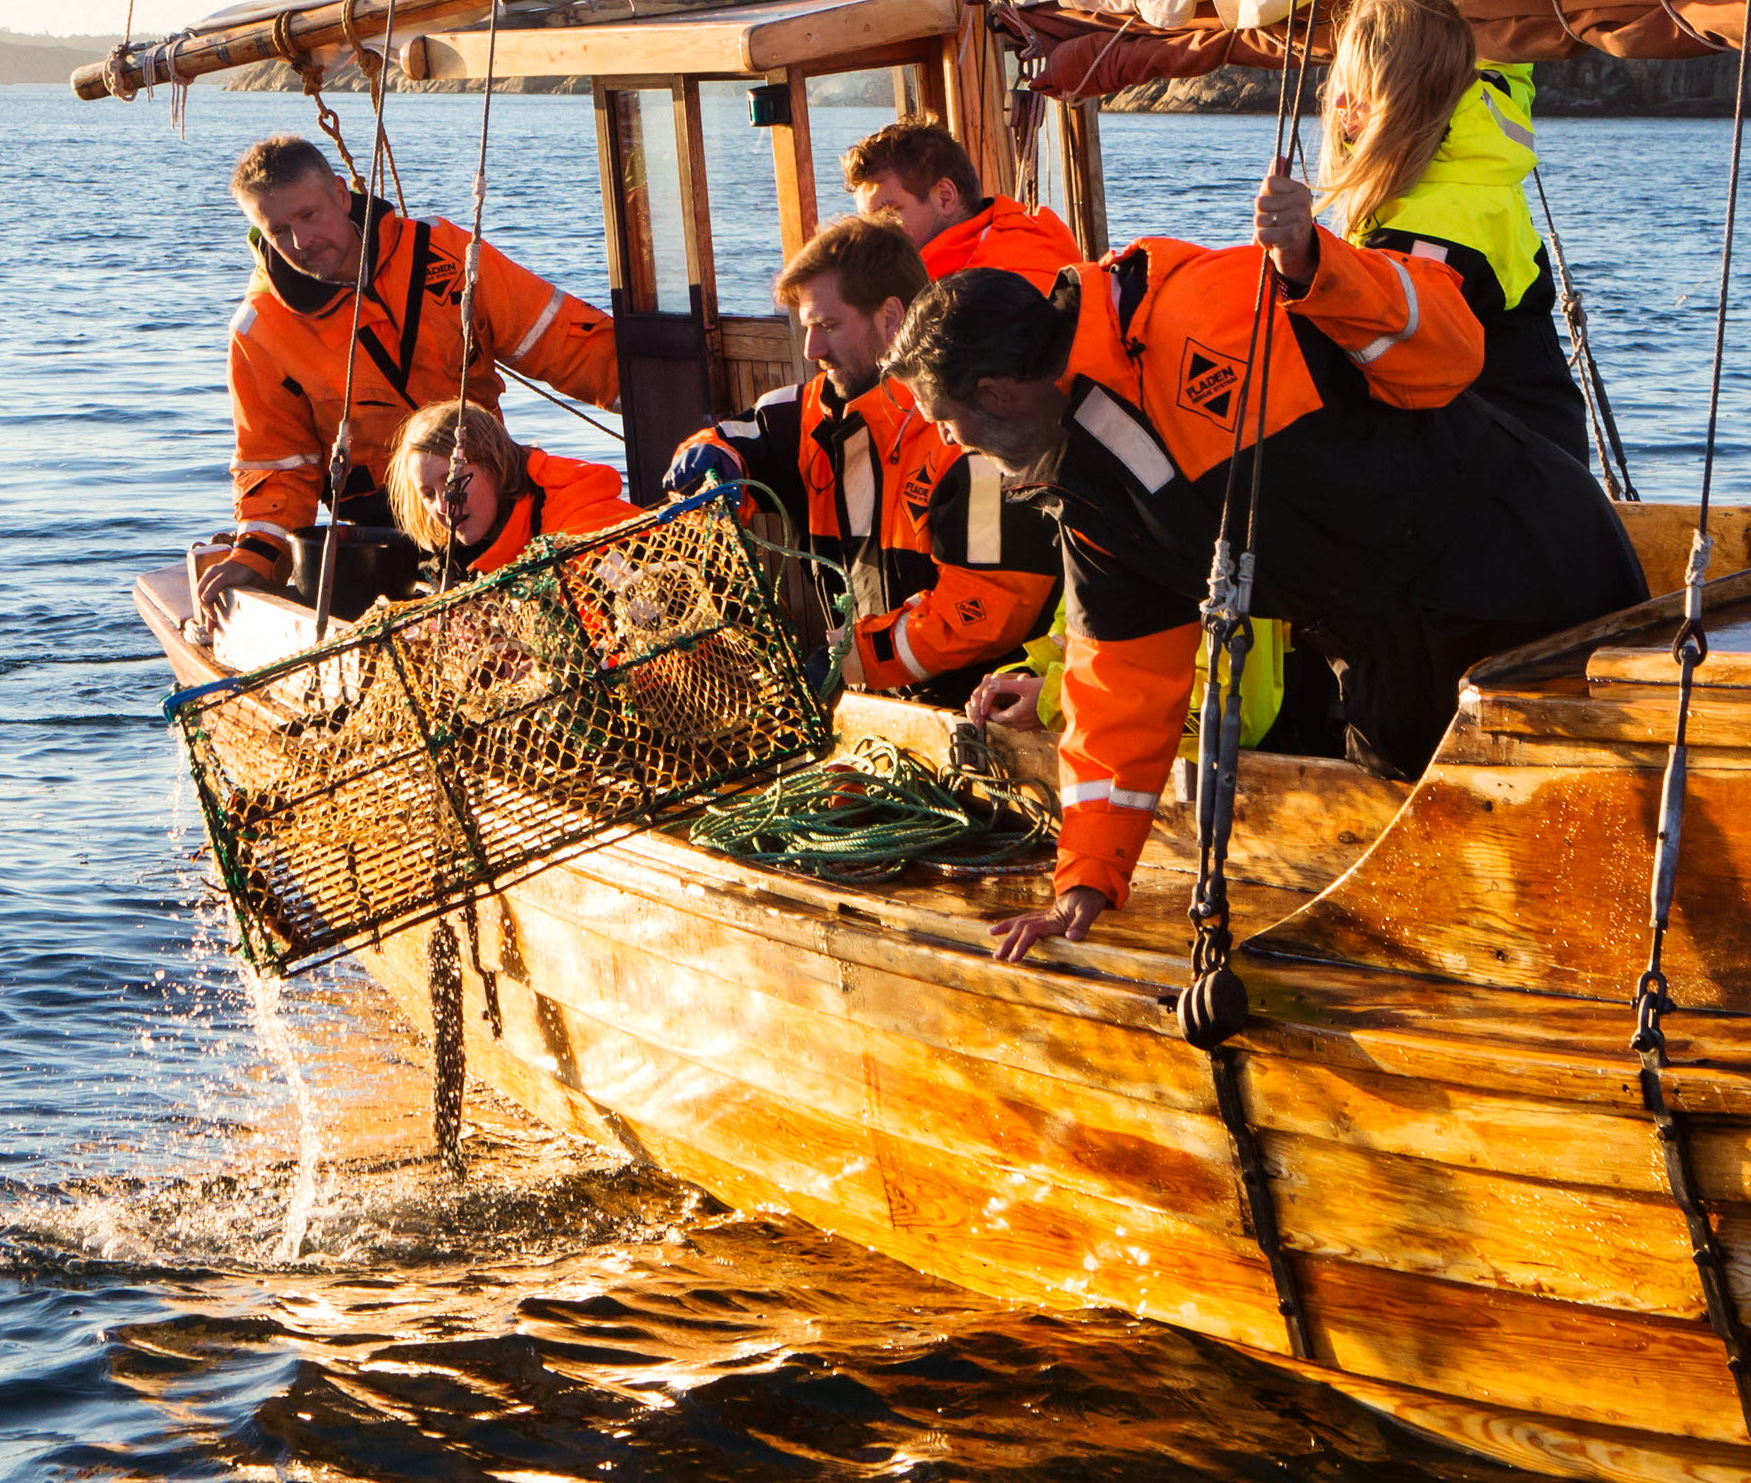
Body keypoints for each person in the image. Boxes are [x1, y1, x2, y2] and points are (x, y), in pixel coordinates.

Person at [887, 162, 1644, 959]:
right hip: (1380, 640)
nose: (950, 444)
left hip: (1527, 560)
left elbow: (1449, 348)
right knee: (1450, 877)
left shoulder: (1207, 304)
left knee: (1595, 823)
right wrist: (1086, 879)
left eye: (944, 420)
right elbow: (1120, 687)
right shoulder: (1084, 493)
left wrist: (1318, 267)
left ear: (998, 392)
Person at [205, 137, 617, 608]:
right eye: (278, 230)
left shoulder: (443, 253)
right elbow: (276, 464)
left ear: (341, 194)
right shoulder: (260, 329)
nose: (301, 242)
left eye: (309, 215)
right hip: (383, 531)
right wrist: (257, 554)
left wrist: (664, 402)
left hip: (487, 490)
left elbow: (563, 339)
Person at [669, 215, 1061, 704]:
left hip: (977, 708)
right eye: (806, 327)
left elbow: (986, 608)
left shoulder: (971, 441)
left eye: (829, 326)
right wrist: (708, 462)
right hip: (868, 697)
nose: (812, 349)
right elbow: (731, 441)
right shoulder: (800, 415)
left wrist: (853, 657)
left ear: (891, 317)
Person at [1317, 0, 1588, 463]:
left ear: (1405, 96)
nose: (1339, 104)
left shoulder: (1426, 230)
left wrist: (1300, 264)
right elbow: (1508, 63)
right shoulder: (1488, 121)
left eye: (1358, 87)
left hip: (1499, 479)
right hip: (1548, 454)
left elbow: (1394, 372)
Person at [384, 399, 635, 581]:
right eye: (428, 494)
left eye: (453, 481)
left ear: (494, 466)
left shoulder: (582, 529)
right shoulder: (460, 558)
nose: (442, 505)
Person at [842, 116, 1082, 286]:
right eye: (868, 223)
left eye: (889, 214)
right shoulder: (1025, 240)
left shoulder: (995, 285)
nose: (874, 236)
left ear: (945, 197)